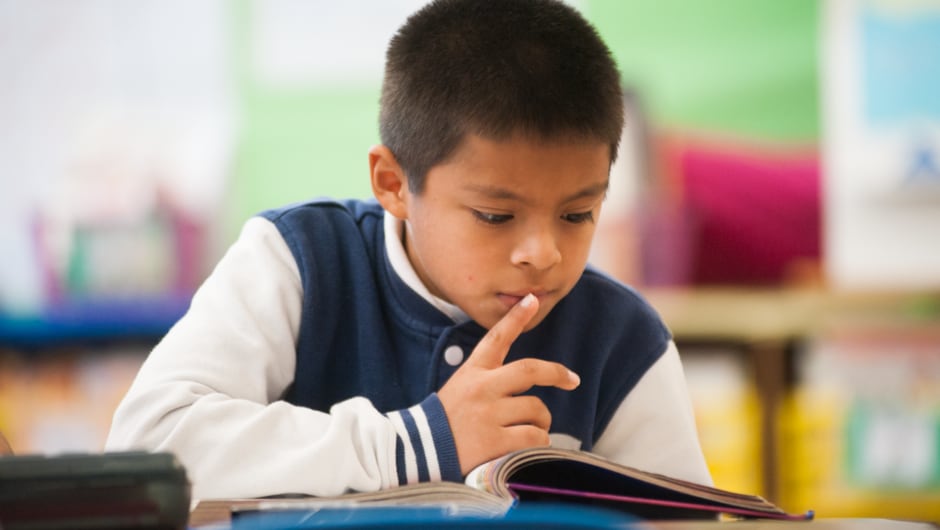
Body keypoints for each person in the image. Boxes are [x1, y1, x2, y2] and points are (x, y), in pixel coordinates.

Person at [106, 0, 711, 499]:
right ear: (393, 184)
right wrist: (422, 442)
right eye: (495, 215)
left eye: (579, 213)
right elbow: (145, 448)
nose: (543, 253)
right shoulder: (297, 262)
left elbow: (681, 514)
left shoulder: (623, 340)